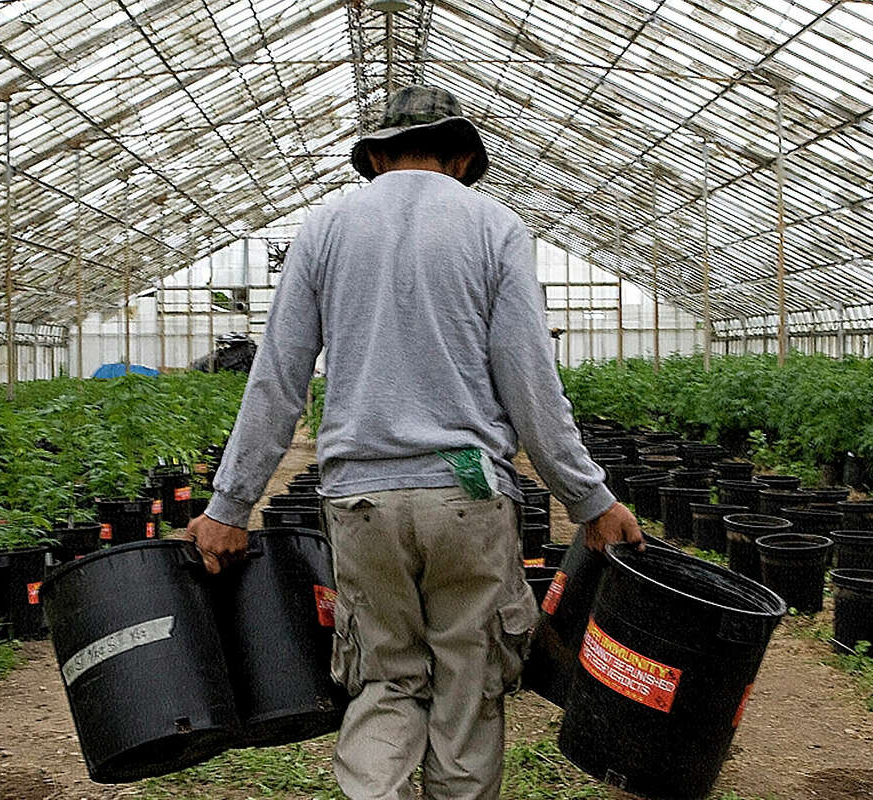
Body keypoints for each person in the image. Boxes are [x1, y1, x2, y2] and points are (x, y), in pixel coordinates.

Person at [187, 85, 642, 800]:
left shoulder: (325, 228)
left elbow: (276, 379)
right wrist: (589, 498)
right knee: (468, 687)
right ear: (463, 158)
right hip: (466, 494)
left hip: (359, 500)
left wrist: (228, 505)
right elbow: (530, 383)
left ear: (372, 157)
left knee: (384, 682)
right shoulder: (495, 227)